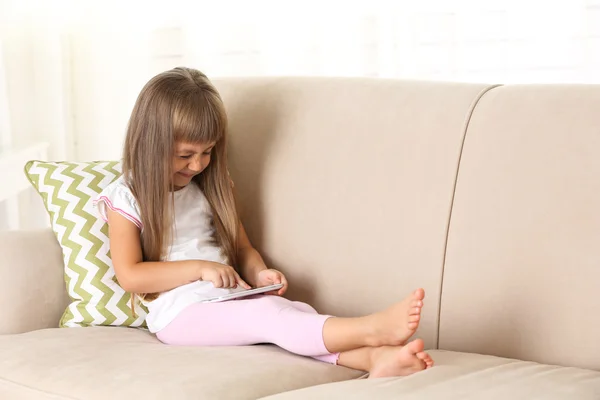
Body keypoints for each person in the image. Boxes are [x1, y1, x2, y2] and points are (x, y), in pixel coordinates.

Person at [95, 67, 434, 378]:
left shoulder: (210, 188)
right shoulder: (126, 196)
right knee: (269, 318)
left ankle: (376, 359)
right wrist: (200, 269)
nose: (198, 164)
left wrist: (259, 274)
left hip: (229, 299)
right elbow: (130, 275)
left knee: (292, 312)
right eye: (185, 154)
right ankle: (372, 328)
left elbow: (242, 247)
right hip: (180, 314)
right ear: (152, 144)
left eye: (208, 151)